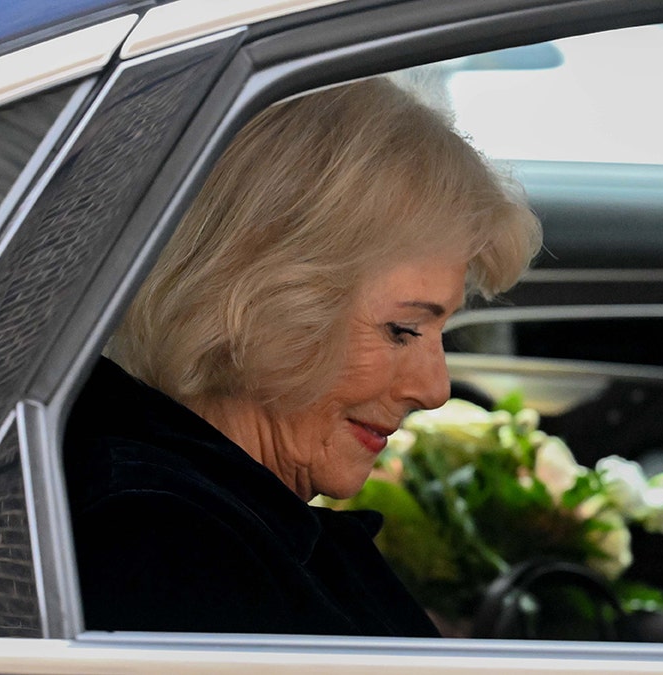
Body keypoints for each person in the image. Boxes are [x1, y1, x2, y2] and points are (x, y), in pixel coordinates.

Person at [63, 77, 542, 636]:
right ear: (260, 304)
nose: (435, 389)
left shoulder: (220, 522)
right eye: (403, 329)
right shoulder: (167, 552)